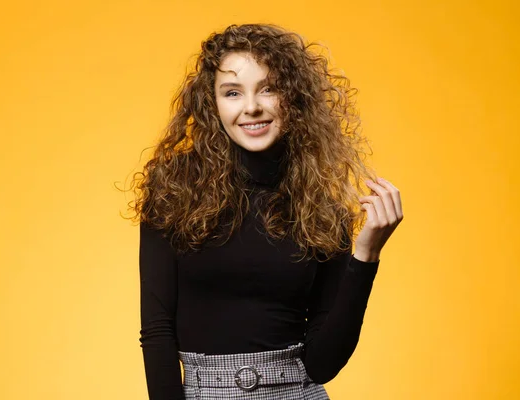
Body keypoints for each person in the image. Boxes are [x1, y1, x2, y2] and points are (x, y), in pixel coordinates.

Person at [130, 23, 403, 399]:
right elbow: (157, 331)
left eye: (269, 88)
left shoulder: (321, 205)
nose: (251, 107)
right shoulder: (173, 190)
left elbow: (324, 363)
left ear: (292, 98)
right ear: (213, 103)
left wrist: (366, 256)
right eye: (232, 92)